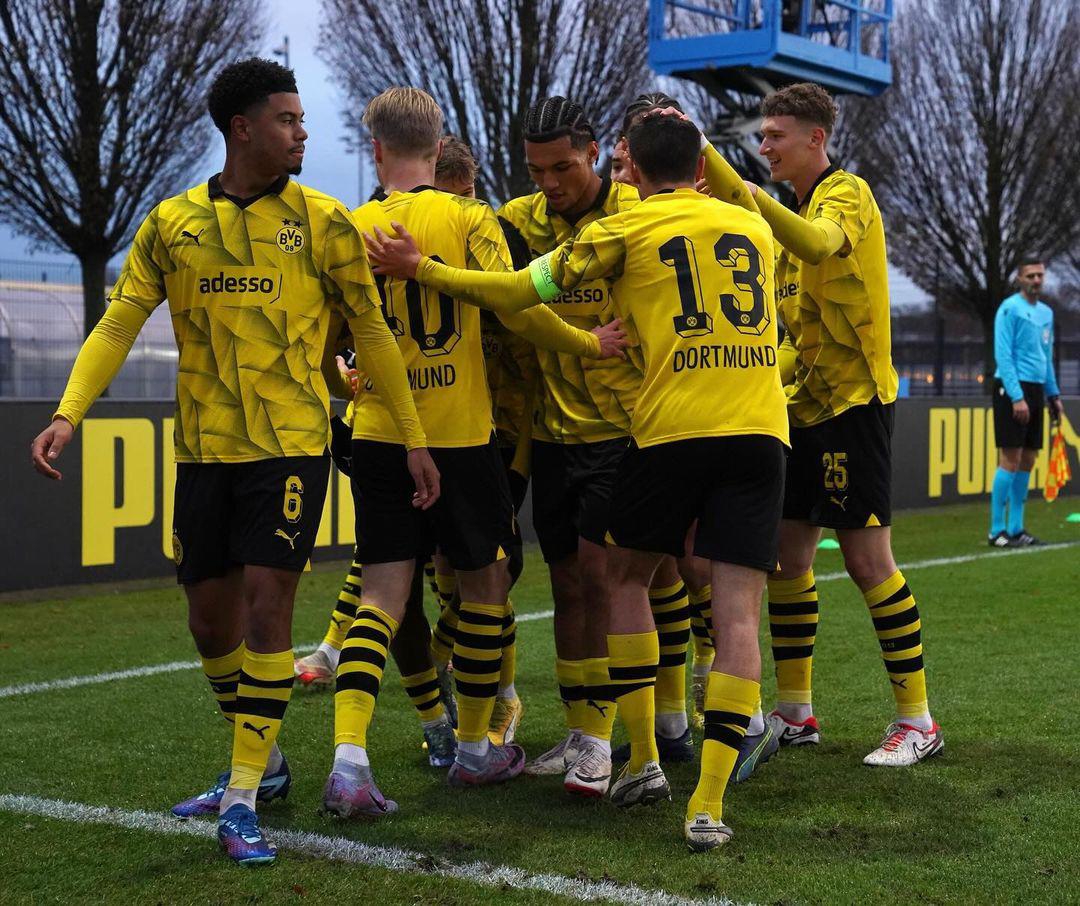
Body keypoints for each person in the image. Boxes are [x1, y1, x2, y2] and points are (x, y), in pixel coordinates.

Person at [29, 58, 437, 864]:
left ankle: (242, 796)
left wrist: (415, 436)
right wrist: (68, 413)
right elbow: (117, 324)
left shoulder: (325, 222)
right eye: (288, 119)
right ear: (242, 128)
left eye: (303, 119)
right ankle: (271, 763)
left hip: (290, 446)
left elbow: (374, 331)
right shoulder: (171, 223)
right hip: (203, 449)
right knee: (208, 618)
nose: (304, 133)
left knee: (265, 609)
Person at [364, 111, 788, 852]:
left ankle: (647, 759)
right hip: (759, 429)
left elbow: (522, 291)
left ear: (623, 165)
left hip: (661, 429)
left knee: (620, 580)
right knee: (736, 613)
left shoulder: (620, 228)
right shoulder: (746, 220)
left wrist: (420, 269)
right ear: (699, 168)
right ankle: (708, 800)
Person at [322, 88, 629, 817]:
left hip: (377, 434)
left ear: (375, 151)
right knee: (487, 586)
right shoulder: (467, 218)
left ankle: (349, 760)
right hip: (459, 437)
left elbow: (329, 340)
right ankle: (473, 748)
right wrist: (590, 341)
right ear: (439, 147)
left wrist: (345, 384)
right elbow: (517, 304)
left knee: (380, 597)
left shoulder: (347, 227)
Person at [705, 81, 943, 765]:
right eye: (761, 135)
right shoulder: (787, 215)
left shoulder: (846, 195)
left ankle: (917, 720)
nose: (764, 145)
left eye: (775, 135)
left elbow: (817, 244)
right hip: (800, 410)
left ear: (817, 138)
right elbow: (790, 333)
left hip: (854, 406)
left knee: (870, 562)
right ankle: (797, 713)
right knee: (788, 561)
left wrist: (724, 176)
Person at [495, 97, 656, 796]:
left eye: (562, 166)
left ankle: (616, 736)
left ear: (593, 152)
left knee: (602, 578)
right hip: (552, 432)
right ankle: (583, 731)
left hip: (623, 430)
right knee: (565, 586)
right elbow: (505, 304)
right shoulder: (516, 220)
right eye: (537, 170)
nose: (550, 182)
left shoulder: (635, 211)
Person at [989, 257, 1064, 547]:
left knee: (1029, 458)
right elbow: (1003, 355)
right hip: (1012, 389)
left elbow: (1046, 356)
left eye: (1040, 275)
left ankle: (1017, 528)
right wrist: (1017, 396)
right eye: (1031, 275)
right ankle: (996, 531)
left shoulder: (1046, 313)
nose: (1036, 280)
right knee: (1010, 457)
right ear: (1019, 279)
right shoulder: (1009, 309)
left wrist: (1053, 395)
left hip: (1035, 390)